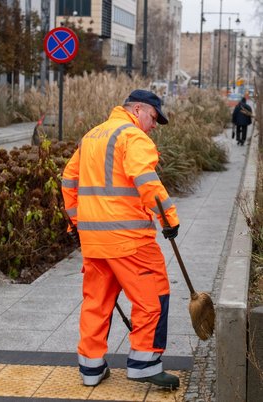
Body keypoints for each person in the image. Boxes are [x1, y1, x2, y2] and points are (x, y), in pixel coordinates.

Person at [61, 89, 181, 389]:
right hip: (130, 241)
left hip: (94, 241)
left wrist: (77, 223)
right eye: (153, 117)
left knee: (96, 302)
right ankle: (144, 362)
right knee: (153, 296)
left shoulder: (92, 136)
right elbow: (145, 178)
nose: (153, 125)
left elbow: (68, 179)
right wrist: (169, 219)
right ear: (138, 109)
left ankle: (91, 368)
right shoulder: (132, 136)